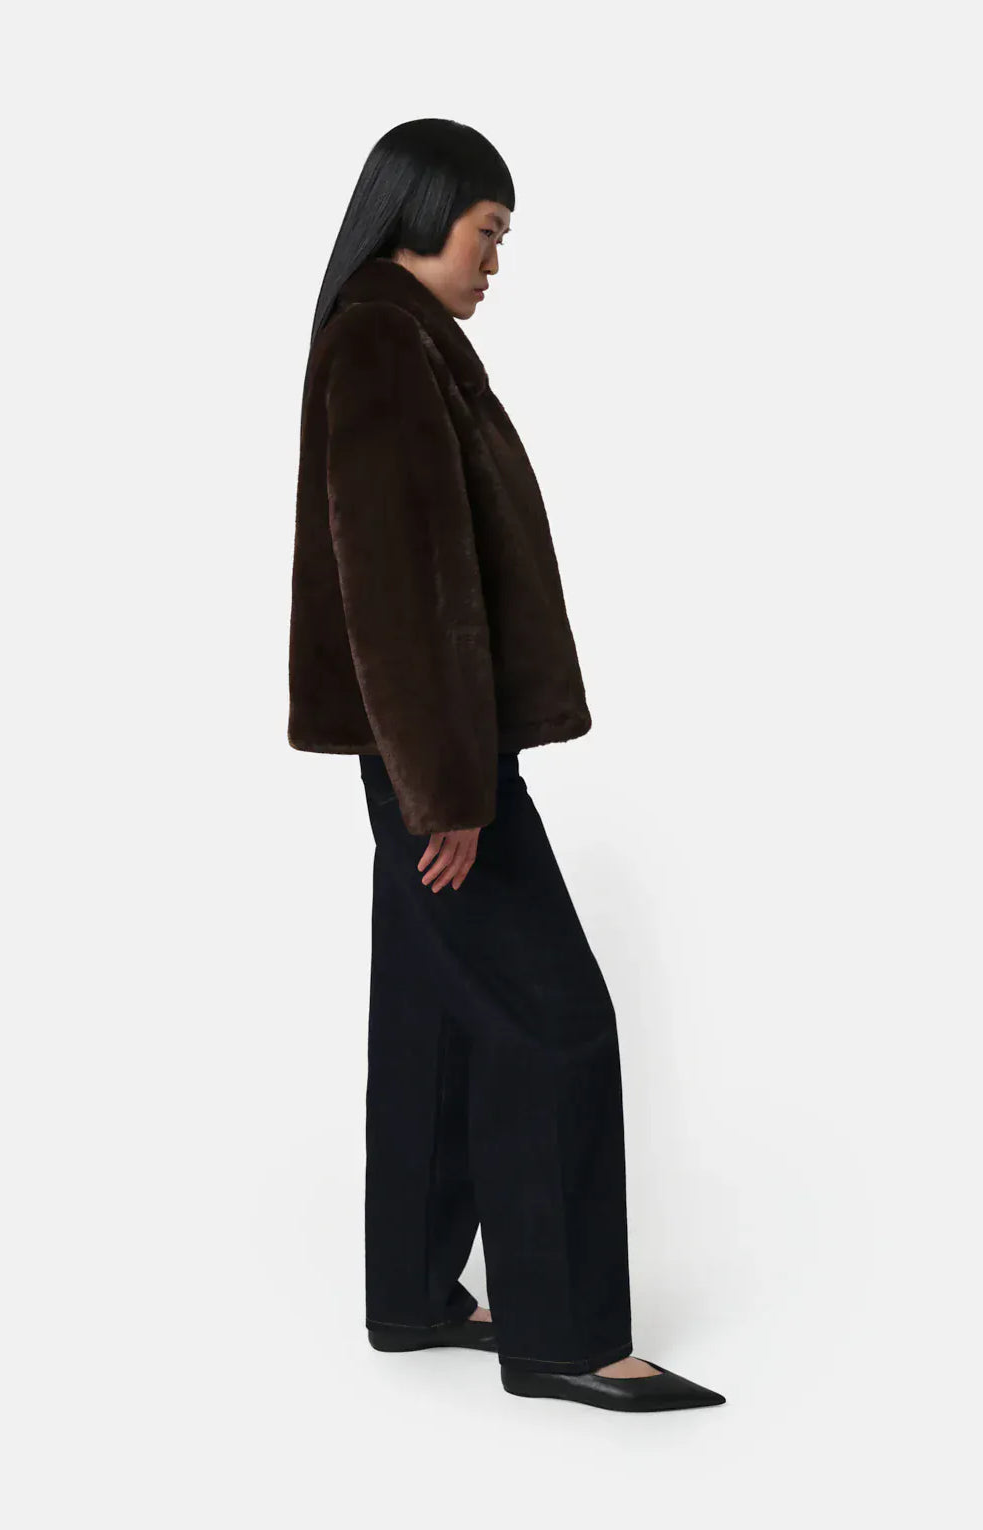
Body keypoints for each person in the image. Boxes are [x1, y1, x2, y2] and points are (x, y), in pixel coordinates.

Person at [287, 118, 726, 1413]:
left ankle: (415, 1293)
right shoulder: (386, 341)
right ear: (423, 215)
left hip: (424, 746)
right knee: (556, 1022)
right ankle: (566, 1336)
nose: (495, 260)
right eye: (488, 232)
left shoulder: (392, 335)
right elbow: (399, 584)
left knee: (435, 1016)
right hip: (438, 754)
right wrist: (451, 792)